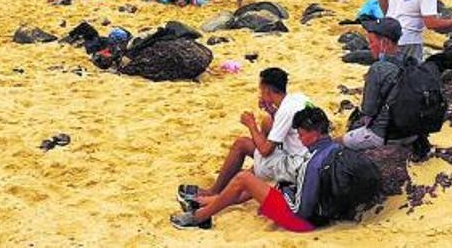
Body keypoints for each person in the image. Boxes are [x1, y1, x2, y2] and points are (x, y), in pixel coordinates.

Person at [171, 107, 337, 231]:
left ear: (315, 134)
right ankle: (206, 202)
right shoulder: (334, 148)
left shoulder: (312, 162)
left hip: (301, 221)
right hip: (324, 212)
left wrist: (281, 195)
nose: (300, 139)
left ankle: (200, 217)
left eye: (301, 135)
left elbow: (301, 210)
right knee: (259, 180)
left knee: (244, 178)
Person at [177, 68, 311, 209]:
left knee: (242, 146)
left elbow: (265, 150)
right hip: (305, 157)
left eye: (261, 89)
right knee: (266, 124)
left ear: (267, 90)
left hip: (295, 166)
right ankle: (218, 192)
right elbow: (287, 128)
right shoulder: (298, 98)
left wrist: (251, 125)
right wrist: (271, 112)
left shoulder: (286, 111)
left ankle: (215, 195)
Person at [340, 17, 422, 152]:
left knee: (337, 142)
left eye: (371, 42)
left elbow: (368, 112)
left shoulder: (378, 69)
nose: (369, 46)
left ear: (385, 43)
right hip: (412, 134)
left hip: (384, 136)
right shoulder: (413, 62)